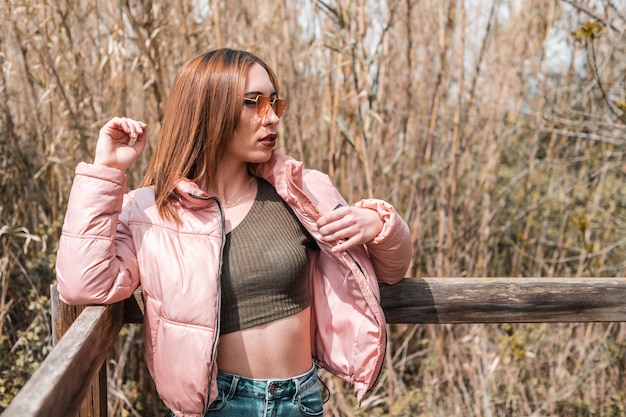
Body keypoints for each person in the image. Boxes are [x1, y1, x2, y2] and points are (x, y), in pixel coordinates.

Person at [56, 48, 413, 417]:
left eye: (274, 102)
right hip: (216, 405)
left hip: (301, 401)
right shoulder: (150, 210)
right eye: (253, 103)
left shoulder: (302, 190)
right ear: (208, 109)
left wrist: (380, 223)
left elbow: (390, 270)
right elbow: (84, 284)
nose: (272, 117)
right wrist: (106, 172)